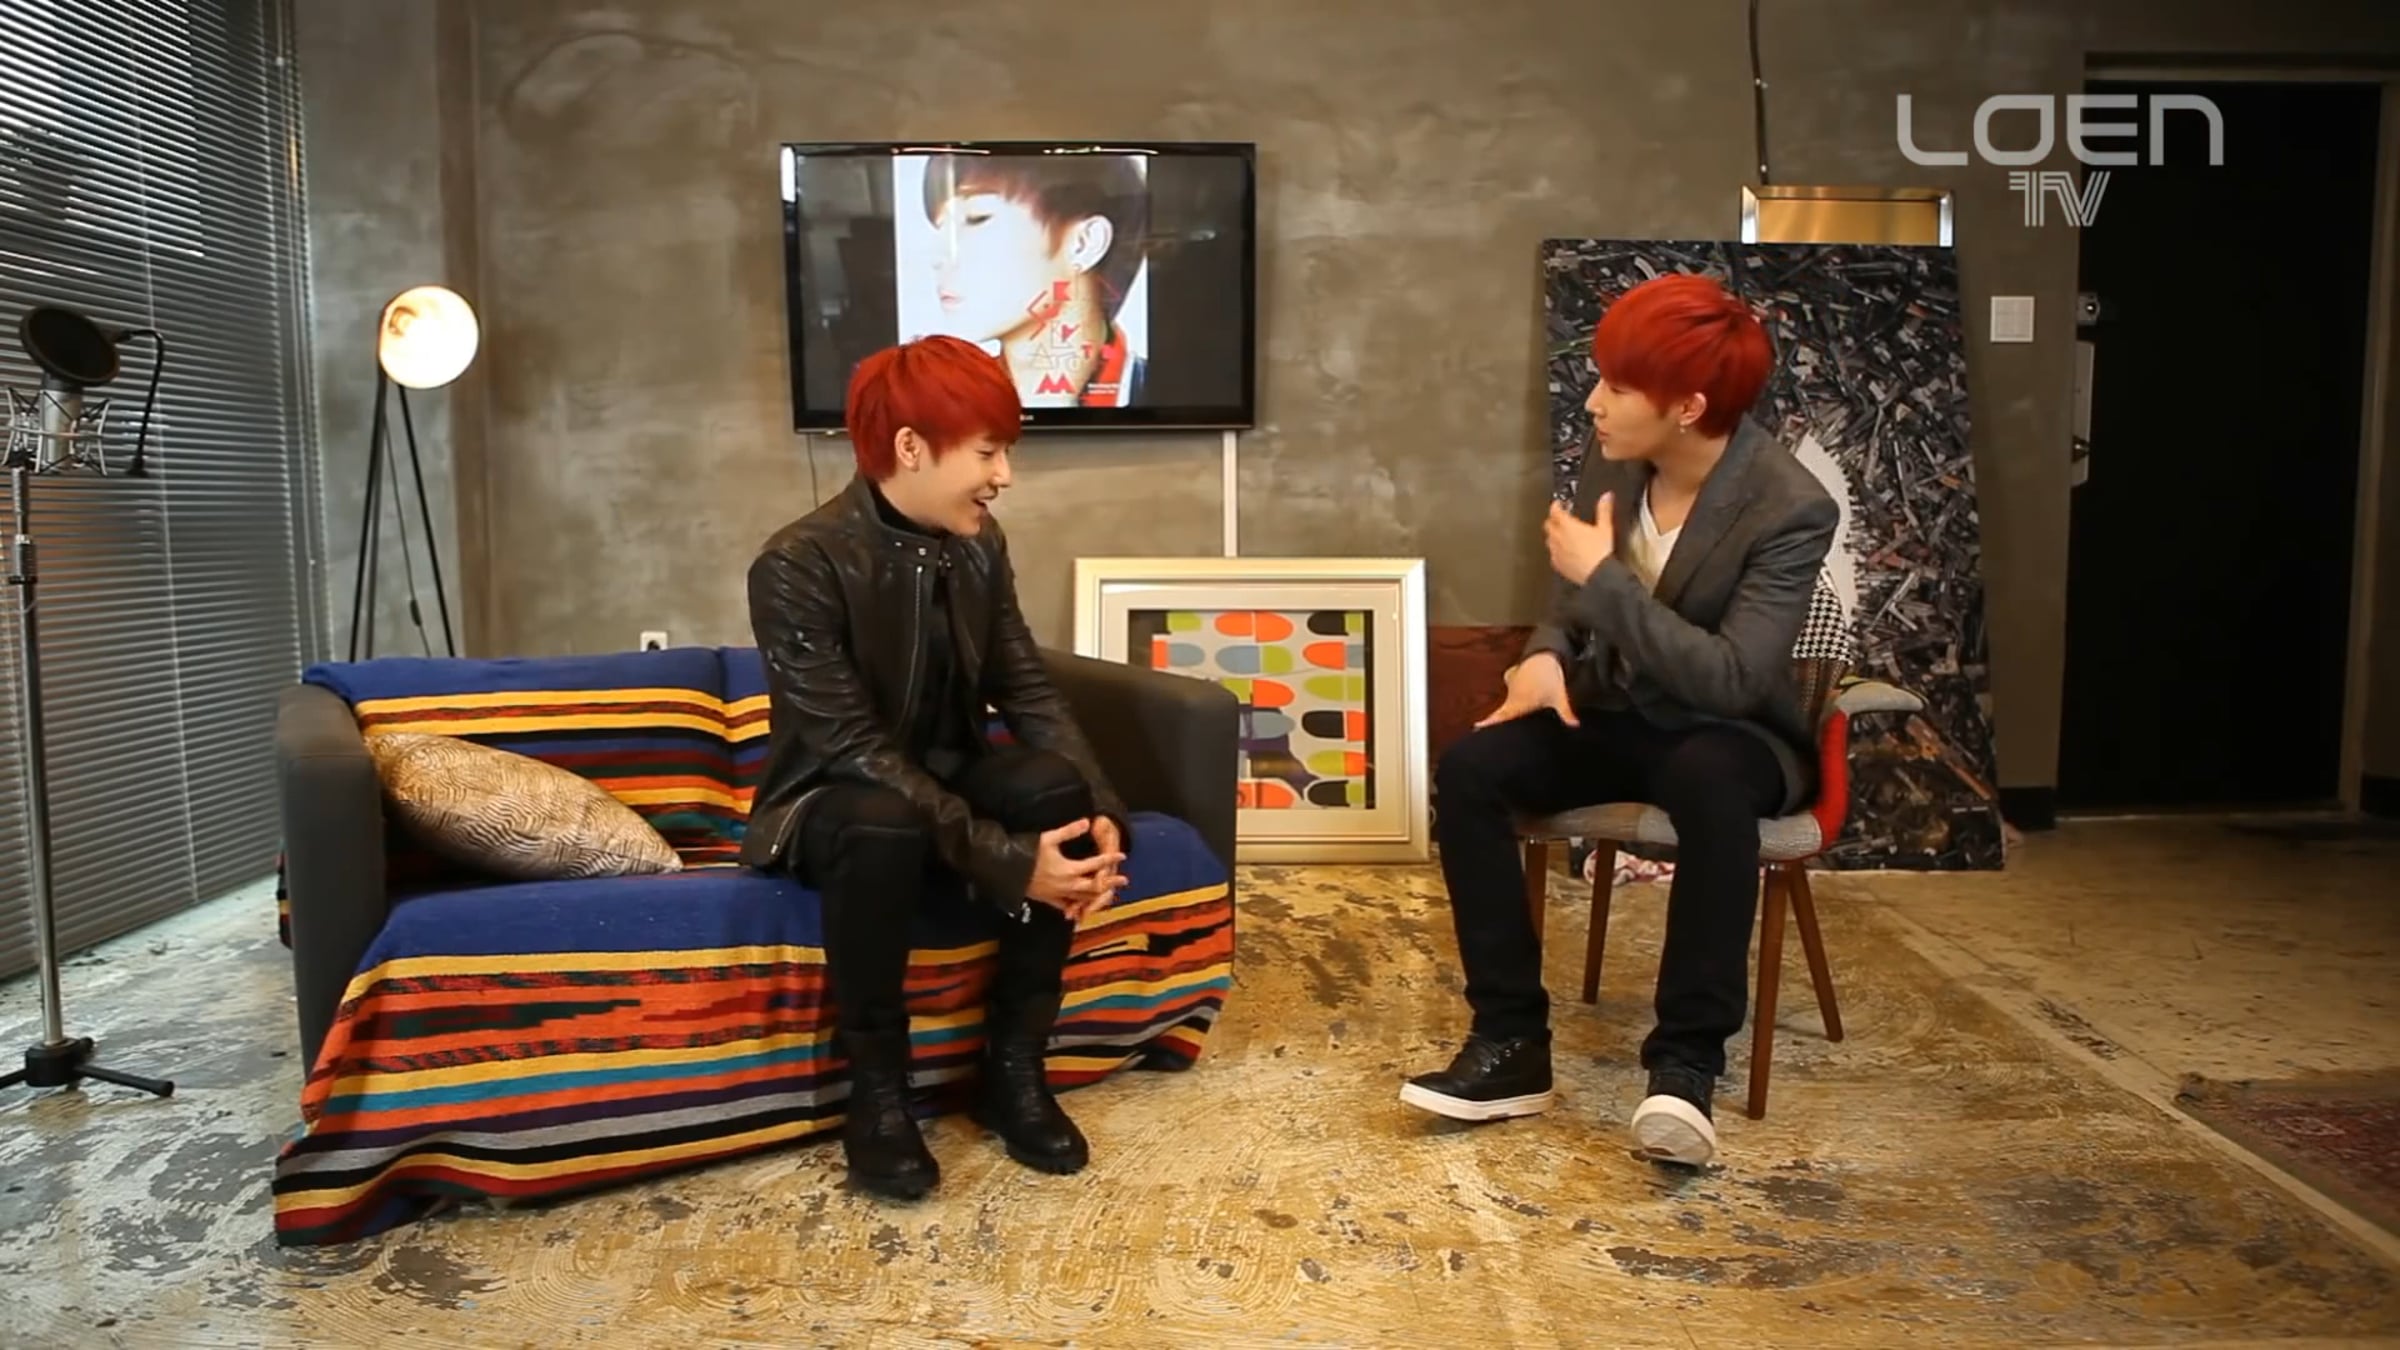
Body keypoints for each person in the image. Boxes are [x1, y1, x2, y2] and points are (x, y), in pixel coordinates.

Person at [1400, 272, 1837, 1168]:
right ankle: (1511, 1042)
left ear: (1689, 407)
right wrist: (1544, 655)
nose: (1594, 402)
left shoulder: (1790, 507)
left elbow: (1731, 678)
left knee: (1712, 787)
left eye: (1618, 386)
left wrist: (1605, 582)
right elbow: (1570, 597)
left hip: (1730, 733)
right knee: (1472, 769)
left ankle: (1684, 1068)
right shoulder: (1615, 457)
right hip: (1617, 712)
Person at [742, 334, 1134, 1200]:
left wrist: (1105, 810)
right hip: (835, 803)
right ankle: (878, 1096)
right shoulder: (798, 563)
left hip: (945, 782)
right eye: (988, 452)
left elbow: (1024, 685)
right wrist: (1010, 862)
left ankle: (1013, 1069)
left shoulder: (979, 545)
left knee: (1052, 787)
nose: (1004, 476)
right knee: (881, 818)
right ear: (911, 446)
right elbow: (854, 749)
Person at [916, 153, 1149, 408]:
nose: (938, 256)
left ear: (1085, 243)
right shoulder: (936, 402)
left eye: (976, 218)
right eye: (941, 227)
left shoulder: (1156, 391)